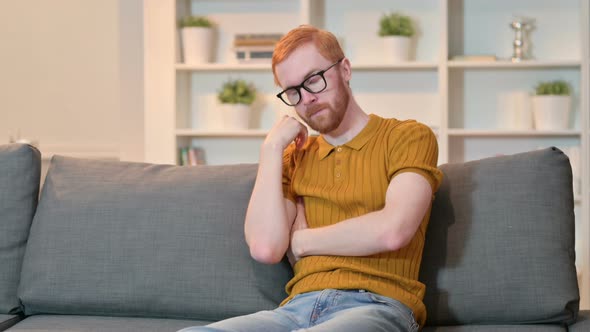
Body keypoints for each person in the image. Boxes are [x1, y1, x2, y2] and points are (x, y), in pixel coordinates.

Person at [179, 24, 443, 332]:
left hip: (378, 306)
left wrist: (304, 241)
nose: (306, 98)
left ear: (344, 69)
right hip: (298, 309)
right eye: (293, 91)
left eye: (313, 80)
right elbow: (266, 248)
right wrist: (272, 148)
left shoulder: (407, 136)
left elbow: (394, 230)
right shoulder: (295, 156)